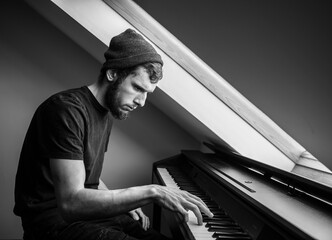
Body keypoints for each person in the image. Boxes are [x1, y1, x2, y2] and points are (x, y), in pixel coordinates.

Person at [14, 28, 213, 240]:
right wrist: (152, 192)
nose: (142, 101)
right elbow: (71, 202)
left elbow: (90, 178)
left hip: (87, 217)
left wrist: (124, 202)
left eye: (147, 93)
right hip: (52, 223)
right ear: (113, 74)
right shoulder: (65, 110)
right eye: (137, 87)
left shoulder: (106, 112)